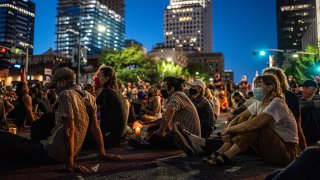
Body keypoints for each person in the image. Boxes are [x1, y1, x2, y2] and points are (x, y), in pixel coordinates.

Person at [0, 68, 121, 173]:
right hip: (69, 153)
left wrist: (70, 164)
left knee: (3, 137)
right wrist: (102, 153)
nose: (54, 91)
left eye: (54, 87)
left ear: (62, 82)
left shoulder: (65, 95)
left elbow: (69, 130)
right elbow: (95, 127)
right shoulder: (89, 96)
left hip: (50, 152)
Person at [175, 75, 300, 167]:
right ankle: (221, 152)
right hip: (268, 147)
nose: (255, 88)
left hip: (286, 152)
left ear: (270, 87)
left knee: (255, 125)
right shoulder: (259, 103)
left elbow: (255, 124)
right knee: (243, 122)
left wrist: (229, 130)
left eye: (259, 86)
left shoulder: (277, 103)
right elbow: (238, 118)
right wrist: (229, 130)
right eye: (255, 85)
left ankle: (227, 155)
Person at [263, 67, 306, 150]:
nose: (267, 81)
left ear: (280, 80)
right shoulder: (263, 96)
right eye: (265, 78)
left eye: (271, 78)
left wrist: (304, 149)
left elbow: (297, 125)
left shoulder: (289, 96)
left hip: (285, 138)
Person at [96, 66, 127, 148]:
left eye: (100, 75)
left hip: (109, 137)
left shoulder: (106, 91)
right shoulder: (115, 91)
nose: (98, 77)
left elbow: (93, 110)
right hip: (118, 136)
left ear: (106, 78)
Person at [299, 80, 320, 145]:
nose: (303, 90)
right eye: (303, 87)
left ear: (314, 90)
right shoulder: (300, 101)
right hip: (302, 136)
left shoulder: (318, 100)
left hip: (316, 138)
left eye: (307, 88)